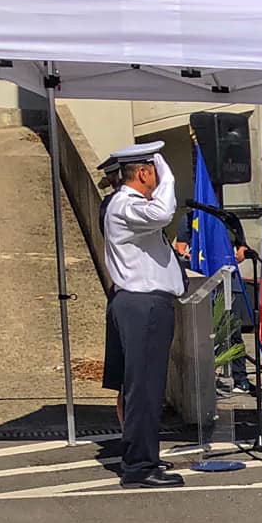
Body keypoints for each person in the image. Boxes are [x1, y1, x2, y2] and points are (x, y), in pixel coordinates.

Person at [99, 141, 186, 490]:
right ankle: (139, 465)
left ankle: (143, 454)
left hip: (141, 303)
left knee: (145, 386)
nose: (158, 182)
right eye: (155, 174)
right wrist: (169, 177)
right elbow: (163, 213)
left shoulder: (127, 205)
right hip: (143, 304)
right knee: (145, 388)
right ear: (145, 173)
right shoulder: (127, 205)